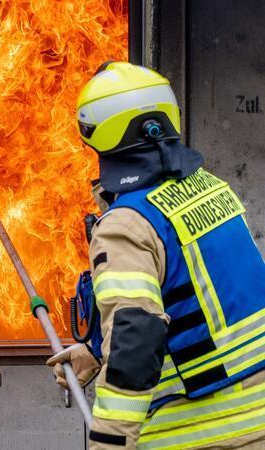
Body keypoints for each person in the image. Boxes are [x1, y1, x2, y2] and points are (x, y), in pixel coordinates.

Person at [47, 61, 265, 449]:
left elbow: (136, 345)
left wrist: (109, 444)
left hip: (202, 433)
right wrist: (97, 350)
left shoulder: (125, 225)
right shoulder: (211, 189)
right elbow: (188, 295)